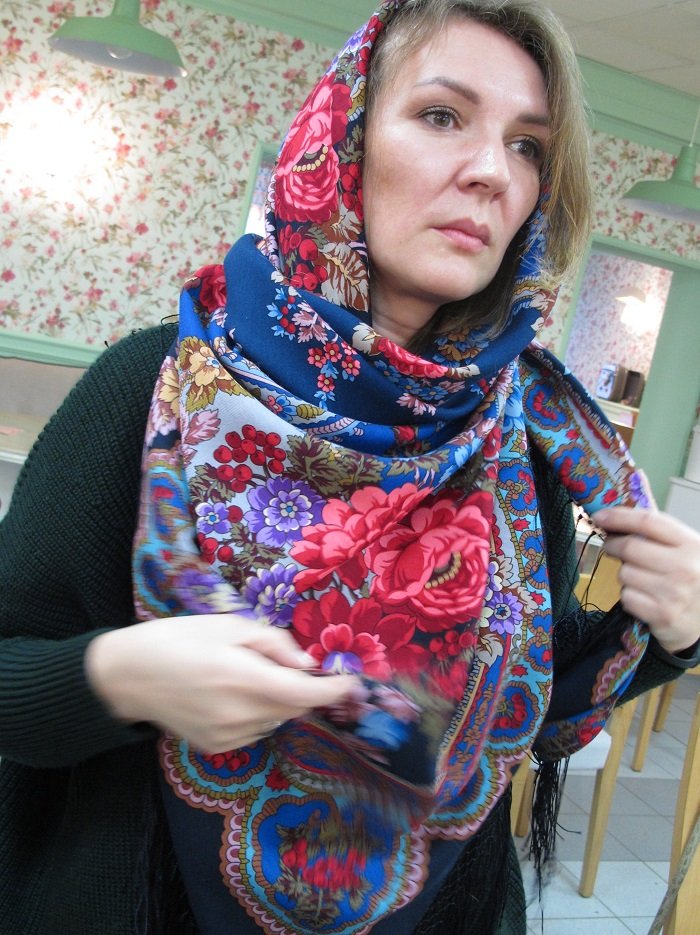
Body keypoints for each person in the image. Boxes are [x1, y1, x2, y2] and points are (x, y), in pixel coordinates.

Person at [1, 1, 699, 933]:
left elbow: (520, 696)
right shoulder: (155, 388)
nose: (493, 171)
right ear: (343, 140)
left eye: (528, 146)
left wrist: (670, 632)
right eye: (443, 115)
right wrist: (117, 678)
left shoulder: (522, 434)